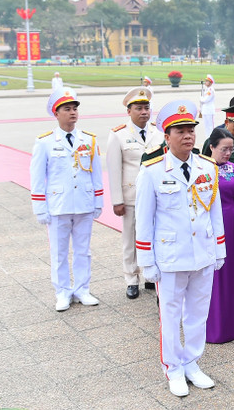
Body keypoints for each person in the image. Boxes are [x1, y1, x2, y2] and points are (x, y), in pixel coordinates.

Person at [135, 100, 225, 397]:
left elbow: (214, 211)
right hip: (170, 258)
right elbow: (144, 220)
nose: (188, 136)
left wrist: (220, 249)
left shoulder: (207, 167)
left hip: (202, 253)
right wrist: (146, 261)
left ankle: (191, 362)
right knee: (171, 316)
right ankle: (172, 367)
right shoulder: (151, 171)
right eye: (180, 131)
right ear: (167, 135)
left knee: (198, 314)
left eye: (191, 130)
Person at [31, 88, 103, 312]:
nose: (72, 113)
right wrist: (40, 208)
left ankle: (82, 289)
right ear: (56, 113)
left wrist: (98, 201)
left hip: (83, 202)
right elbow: (37, 177)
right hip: (58, 205)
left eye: (74, 109)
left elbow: (96, 172)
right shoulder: (44, 142)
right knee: (59, 252)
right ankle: (62, 292)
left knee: (83, 250)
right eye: (67, 109)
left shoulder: (89, 140)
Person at [106, 86, 163, 299]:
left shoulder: (158, 132)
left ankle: (149, 276)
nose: (144, 112)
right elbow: (114, 170)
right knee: (130, 239)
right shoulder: (119, 135)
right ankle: (131, 278)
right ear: (129, 111)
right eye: (138, 108)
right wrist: (117, 200)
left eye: (146, 108)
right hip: (131, 197)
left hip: (156, 196)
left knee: (152, 235)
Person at [206, 128, 234, 343]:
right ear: (212, 147)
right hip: (211, 227)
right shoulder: (202, 168)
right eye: (223, 149)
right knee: (213, 276)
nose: (228, 153)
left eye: (231, 149)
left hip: (232, 224)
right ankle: (215, 327)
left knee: (233, 274)